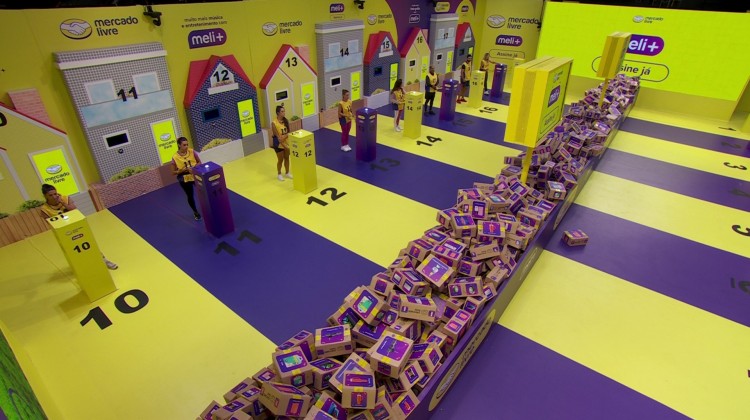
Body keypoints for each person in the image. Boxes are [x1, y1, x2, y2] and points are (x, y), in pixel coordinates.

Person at [39, 184, 118, 270]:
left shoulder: (65, 198)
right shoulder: (44, 209)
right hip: (64, 232)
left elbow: (74, 210)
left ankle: (104, 261)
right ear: (45, 196)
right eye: (50, 195)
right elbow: (50, 224)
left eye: (55, 194)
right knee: (73, 251)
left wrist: (63, 203)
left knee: (90, 244)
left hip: (78, 226)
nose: (54, 197)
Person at [171, 137, 202, 220]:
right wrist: (183, 170)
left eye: (187, 144)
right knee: (190, 195)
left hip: (195, 174)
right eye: (184, 145)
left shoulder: (192, 151)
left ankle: (207, 207)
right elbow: (173, 172)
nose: (186, 146)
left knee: (203, 191)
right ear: (179, 145)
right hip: (184, 178)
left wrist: (194, 168)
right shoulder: (175, 157)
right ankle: (195, 212)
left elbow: (199, 162)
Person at [271, 105, 293, 181]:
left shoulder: (286, 121)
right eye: (282, 111)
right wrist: (283, 142)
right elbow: (277, 137)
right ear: (278, 113)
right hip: (278, 143)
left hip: (286, 141)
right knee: (280, 160)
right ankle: (279, 174)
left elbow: (288, 132)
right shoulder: (274, 123)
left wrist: (286, 137)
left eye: (284, 111)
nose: (284, 113)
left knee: (287, 158)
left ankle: (287, 172)